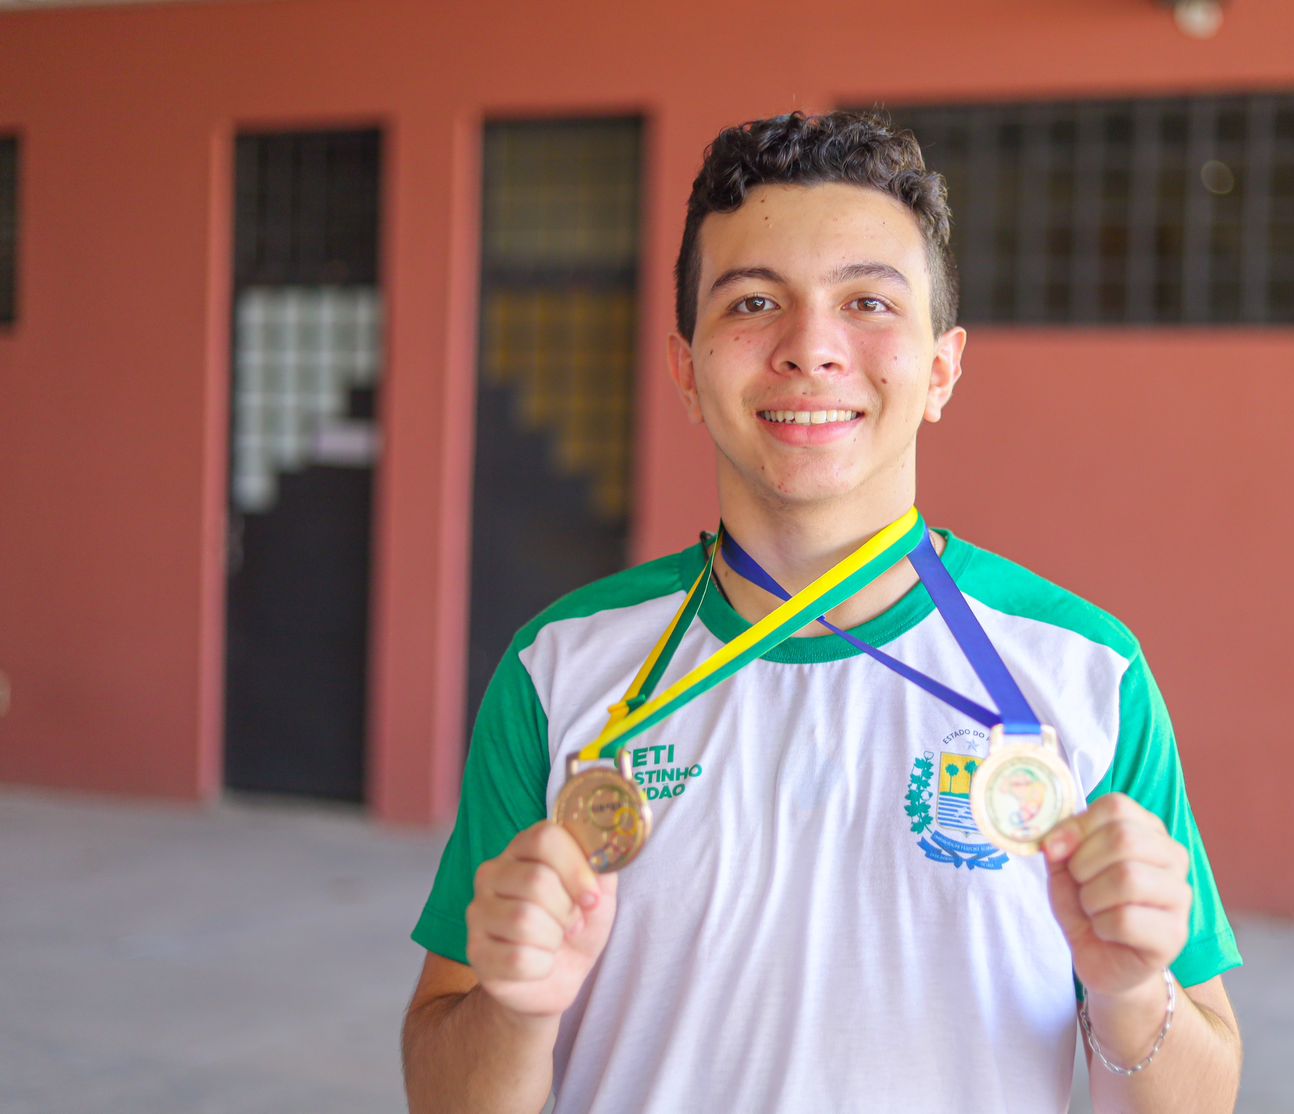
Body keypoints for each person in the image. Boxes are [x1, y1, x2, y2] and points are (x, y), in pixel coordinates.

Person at [402, 109, 1244, 1113]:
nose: (810, 348)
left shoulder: (1084, 672)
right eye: (754, 302)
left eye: (868, 303)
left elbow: (1201, 1095)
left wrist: (1132, 993)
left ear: (941, 368)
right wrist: (517, 1011)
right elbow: (443, 1093)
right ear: (686, 367)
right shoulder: (560, 667)